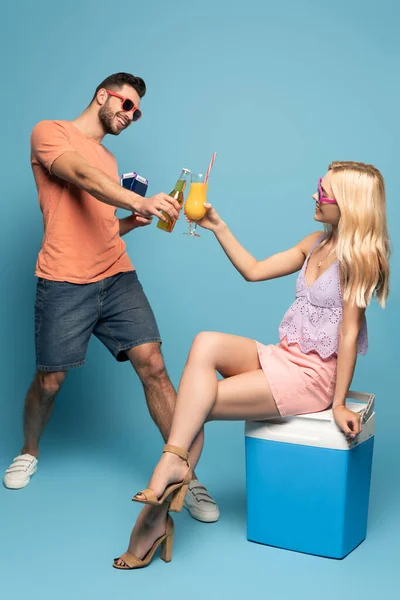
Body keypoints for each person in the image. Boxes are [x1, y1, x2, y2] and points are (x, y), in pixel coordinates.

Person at [112, 161, 390, 570]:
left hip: (311, 377)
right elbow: (254, 270)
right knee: (206, 343)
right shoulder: (315, 242)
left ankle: (153, 514)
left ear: (349, 205)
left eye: (324, 193)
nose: (314, 196)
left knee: (196, 404)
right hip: (284, 357)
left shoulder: (361, 258)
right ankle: (171, 470)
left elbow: (348, 336)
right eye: (318, 186)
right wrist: (217, 226)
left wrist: (337, 405)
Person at [3, 72, 219, 524]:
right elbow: (79, 178)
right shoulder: (50, 133)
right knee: (50, 383)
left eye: (137, 112)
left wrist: (128, 223)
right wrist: (138, 202)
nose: (130, 115)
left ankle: (185, 475)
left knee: (155, 365)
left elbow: (99, 221)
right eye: (126, 105)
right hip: (63, 281)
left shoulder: (110, 159)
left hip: (116, 275)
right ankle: (29, 450)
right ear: (102, 95)